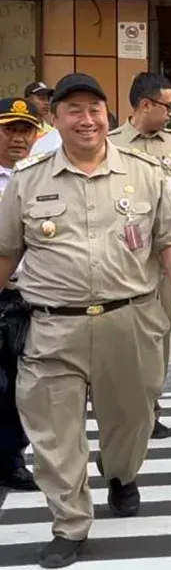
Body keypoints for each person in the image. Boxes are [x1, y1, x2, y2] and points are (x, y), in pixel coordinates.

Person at [0, 73, 171, 568]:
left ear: (107, 115)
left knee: (132, 418)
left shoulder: (145, 173)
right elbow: (5, 253)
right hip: (53, 326)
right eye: (74, 110)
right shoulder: (28, 180)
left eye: (94, 109)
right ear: (55, 118)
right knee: (54, 431)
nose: (86, 119)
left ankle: (121, 472)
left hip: (129, 319)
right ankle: (70, 522)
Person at [110, 72, 171, 438]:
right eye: (167, 106)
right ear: (145, 105)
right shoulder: (110, 144)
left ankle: (151, 406)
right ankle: (124, 405)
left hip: (165, 259)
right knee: (123, 334)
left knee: (159, 334)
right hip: (124, 259)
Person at [0, 97, 41, 492]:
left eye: (25, 130)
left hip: (33, 297)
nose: (18, 138)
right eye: (9, 129)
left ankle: (12, 457)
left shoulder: (40, 179)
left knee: (21, 384)